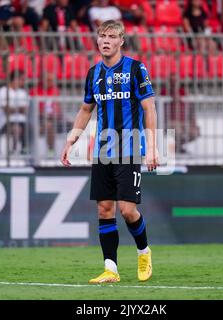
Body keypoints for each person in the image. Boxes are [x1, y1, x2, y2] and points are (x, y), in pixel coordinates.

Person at [60, 20, 158, 284]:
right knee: (104, 209)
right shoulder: (93, 74)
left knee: (127, 210)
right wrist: (71, 140)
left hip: (129, 147)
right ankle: (110, 269)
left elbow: (149, 108)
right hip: (103, 149)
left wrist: (152, 148)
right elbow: (85, 110)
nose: (105, 40)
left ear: (121, 41)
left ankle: (143, 251)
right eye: (102, 35)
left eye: (111, 36)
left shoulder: (136, 69)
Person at [0, 70, 29, 154]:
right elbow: (6, 110)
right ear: (15, 79)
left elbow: (25, 110)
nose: (23, 82)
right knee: (16, 128)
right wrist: (19, 109)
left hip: (22, 122)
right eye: (22, 79)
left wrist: (13, 109)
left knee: (31, 127)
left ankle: (24, 149)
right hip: (6, 122)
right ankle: (14, 150)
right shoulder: (3, 91)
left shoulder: (23, 92)